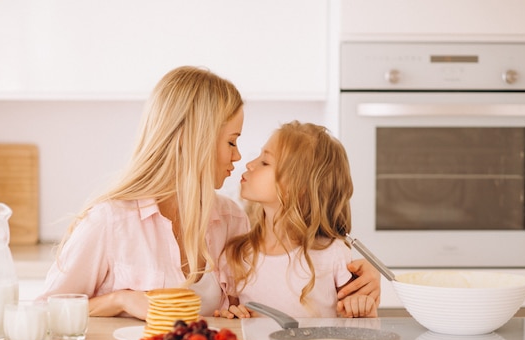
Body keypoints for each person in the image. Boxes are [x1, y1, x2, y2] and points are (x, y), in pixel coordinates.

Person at [38, 66, 380, 319]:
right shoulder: (110, 222)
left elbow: (267, 287)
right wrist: (121, 300)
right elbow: (43, 313)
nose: (237, 156)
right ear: (194, 139)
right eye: (231, 141)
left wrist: (358, 278)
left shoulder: (231, 220)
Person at [215, 121, 378, 319]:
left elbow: (356, 324)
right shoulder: (236, 256)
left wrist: (363, 308)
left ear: (300, 188)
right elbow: (229, 320)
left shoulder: (333, 254)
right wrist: (232, 314)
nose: (249, 164)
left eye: (265, 162)